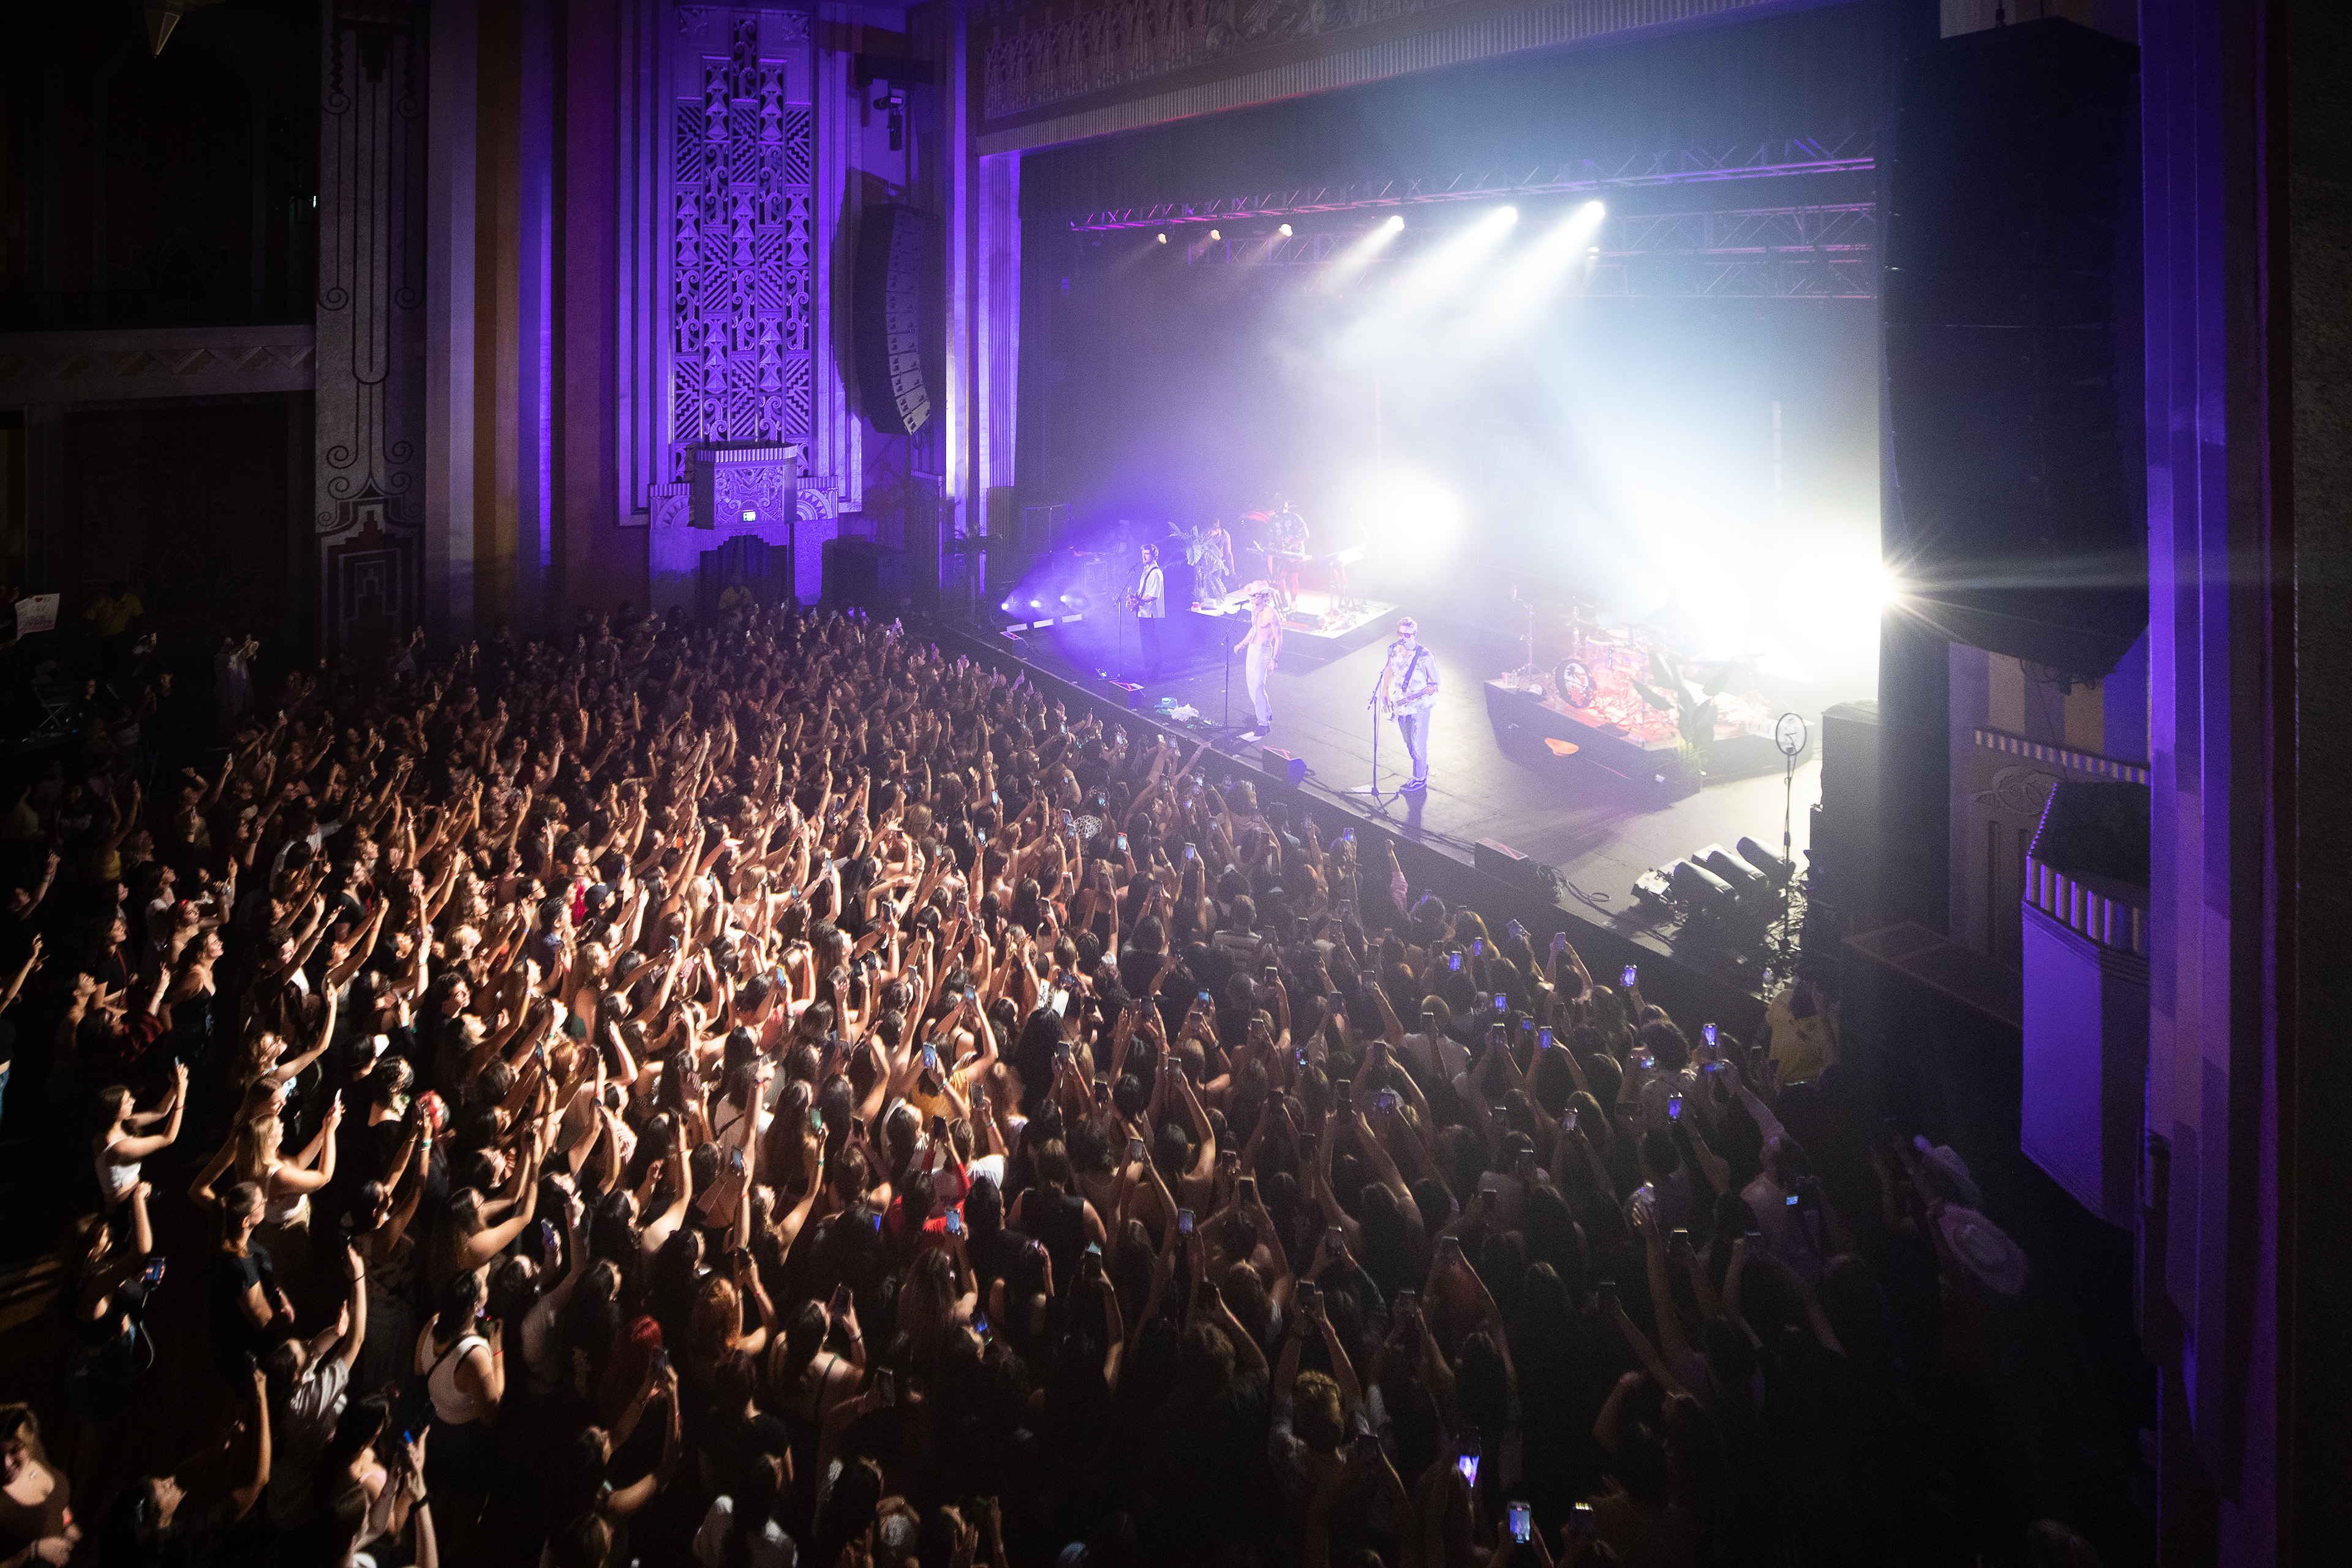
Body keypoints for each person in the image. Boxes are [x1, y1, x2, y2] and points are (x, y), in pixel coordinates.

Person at [1367, 616, 1438, 793]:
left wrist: (1419, 693)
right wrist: (1384, 691)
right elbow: (1389, 668)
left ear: (1414, 634)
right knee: (1409, 743)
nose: (1402, 637)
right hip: (1400, 705)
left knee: (1418, 743)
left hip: (1421, 707)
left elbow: (1435, 684)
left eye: (1406, 635)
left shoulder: (1425, 656)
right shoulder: (1393, 649)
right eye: (1400, 633)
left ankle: (1420, 778)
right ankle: (1422, 766)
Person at [1235, 584, 1282, 741]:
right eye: (1251, 596)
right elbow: (1254, 630)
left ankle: (1263, 724)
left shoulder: (1271, 614)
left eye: (1255, 595)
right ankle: (1266, 712)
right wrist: (1242, 644)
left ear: (1263, 596)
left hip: (1264, 652)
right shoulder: (1254, 611)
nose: (1252, 598)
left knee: (1258, 687)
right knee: (1251, 686)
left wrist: (1274, 660)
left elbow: (1279, 638)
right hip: (1252, 650)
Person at [1133, 545, 1167, 683]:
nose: (1144, 556)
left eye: (1147, 554)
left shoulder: (1156, 573)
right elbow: (1143, 590)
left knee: (1151, 645)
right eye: (1143, 553)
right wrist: (1135, 597)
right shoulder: (1146, 570)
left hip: (1150, 614)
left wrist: (1139, 600)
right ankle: (1149, 672)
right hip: (1143, 613)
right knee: (1146, 645)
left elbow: (1153, 595)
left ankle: (1154, 674)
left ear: (1153, 556)